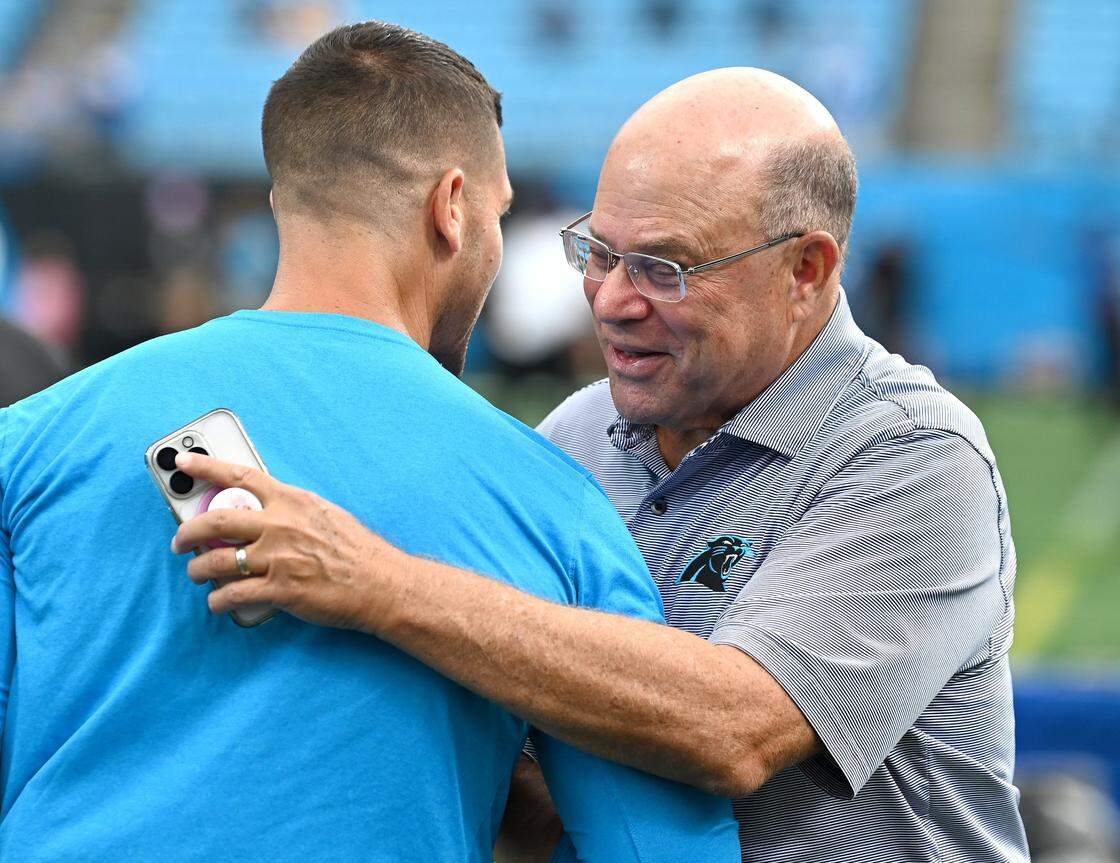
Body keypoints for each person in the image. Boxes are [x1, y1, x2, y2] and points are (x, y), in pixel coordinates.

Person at [177, 67, 1031, 862]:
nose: (612, 301)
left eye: (665, 268)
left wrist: (377, 583)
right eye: (599, 252)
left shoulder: (913, 457)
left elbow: (733, 727)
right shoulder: (577, 434)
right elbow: (554, 797)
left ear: (805, 269)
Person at [0, 24, 740, 862]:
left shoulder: (28, 441)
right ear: (451, 208)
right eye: (497, 214)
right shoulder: (554, 503)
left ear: (289, 197)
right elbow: (653, 847)